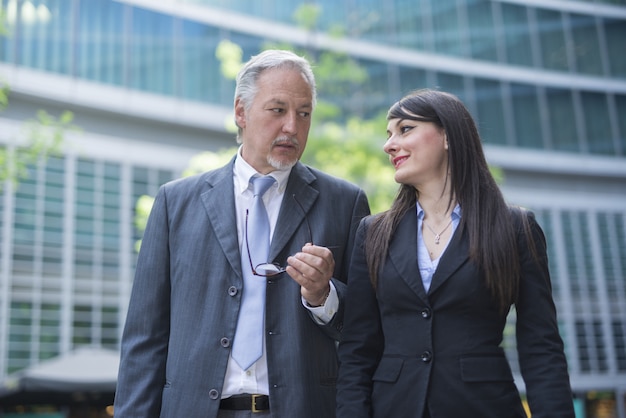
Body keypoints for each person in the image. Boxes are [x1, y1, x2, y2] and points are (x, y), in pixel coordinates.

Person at [113, 49, 370, 418]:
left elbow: (365, 332)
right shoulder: (176, 202)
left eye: (304, 114)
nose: (292, 128)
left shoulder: (345, 202)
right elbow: (145, 338)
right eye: (278, 110)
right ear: (240, 112)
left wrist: (323, 295)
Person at [336, 89, 574, 418]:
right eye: (388, 134)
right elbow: (357, 351)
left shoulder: (515, 227)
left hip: (484, 407)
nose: (389, 145)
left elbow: (541, 347)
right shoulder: (373, 233)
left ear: (447, 135)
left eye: (405, 129)